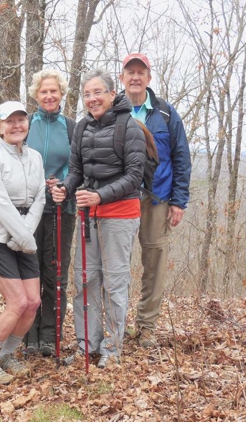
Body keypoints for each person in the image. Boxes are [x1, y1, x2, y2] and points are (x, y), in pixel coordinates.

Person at [52, 69, 146, 368]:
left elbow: (135, 176)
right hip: (88, 215)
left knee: (114, 282)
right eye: (87, 94)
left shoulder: (129, 126)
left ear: (110, 93)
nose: (92, 99)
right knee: (85, 280)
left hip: (119, 214)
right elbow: (77, 171)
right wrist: (65, 189)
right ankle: (86, 345)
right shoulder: (81, 128)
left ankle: (113, 349)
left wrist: (100, 196)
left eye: (97, 92)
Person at [119, 53, 191, 347]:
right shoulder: (114, 111)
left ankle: (146, 327)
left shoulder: (165, 114)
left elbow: (181, 157)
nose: (135, 77)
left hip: (157, 198)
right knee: (117, 264)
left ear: (149, 78)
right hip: (120, 198)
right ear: (122, 77)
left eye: (141, 72)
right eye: (130, 72)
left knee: (154, 263)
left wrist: (179, 200)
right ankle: (117, 324)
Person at [0, 101, 45, 384]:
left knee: (33, 302)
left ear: (27, 124)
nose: (16, 126)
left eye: (21, 120)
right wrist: (23, 236)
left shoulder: (35, 157)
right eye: (10, 121)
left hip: (24, 235)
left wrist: (26, 234)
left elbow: (39, 197)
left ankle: (7, 355)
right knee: (17, 302)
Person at [24, 69, 77, 357]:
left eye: (54, 91)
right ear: (36, 94)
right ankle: (28, 334)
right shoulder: (27, 124)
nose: (49, 95)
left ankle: (50, 334)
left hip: (61, 208)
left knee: (55, 273)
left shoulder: (71, 127)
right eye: (44, 91)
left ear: (61, 94)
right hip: (29, 210)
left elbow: (78, 168)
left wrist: (66, 187)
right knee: (30, 271)